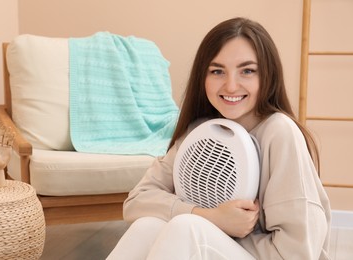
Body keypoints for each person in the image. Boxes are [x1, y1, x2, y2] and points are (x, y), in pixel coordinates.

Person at [107, 17, 331, 260]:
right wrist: (210, 217)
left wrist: (210, 228)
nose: (231, 86)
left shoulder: (280, 132)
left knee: (186, 228)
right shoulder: (200, 132)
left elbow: (298, 253)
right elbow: (136, 202)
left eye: (247, 71)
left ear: (267, 76)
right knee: (147, 227)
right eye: (217, 71)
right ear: (202, 77)